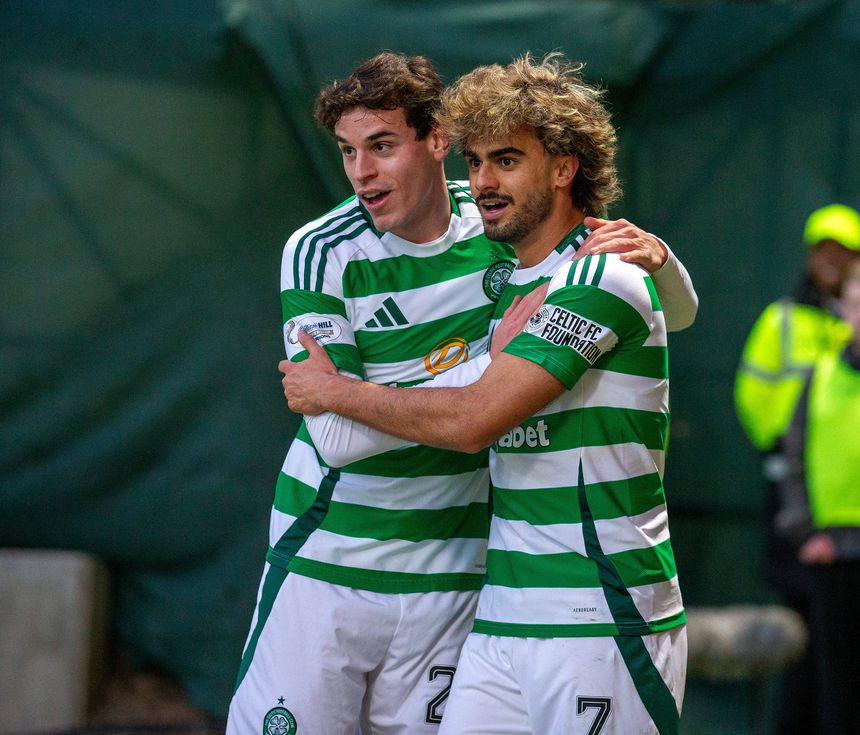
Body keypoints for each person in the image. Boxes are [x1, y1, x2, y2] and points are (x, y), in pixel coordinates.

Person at [281, 53, 690, 735]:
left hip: (602, 614)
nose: (482, 183)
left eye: (506, 160)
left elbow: (473, 419)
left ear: (564, 168)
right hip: (501, 615)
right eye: (474, 162)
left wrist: (331, 391)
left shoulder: (602, 276)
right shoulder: (512, 294)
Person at [733, 203, 860, 734]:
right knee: (811, 635)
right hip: (803, 508)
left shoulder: (842, 329)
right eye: (821, 249)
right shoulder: (784, 320)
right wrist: (785, 453)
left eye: (842, 251)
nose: (830, 260)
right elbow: (753, 392)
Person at [772, 259, 860, 734]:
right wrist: (806, 531)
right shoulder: (820, 376)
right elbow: (793, 459)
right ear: (843, 309)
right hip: (832, 555)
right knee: (836, 689)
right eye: (856, 303)